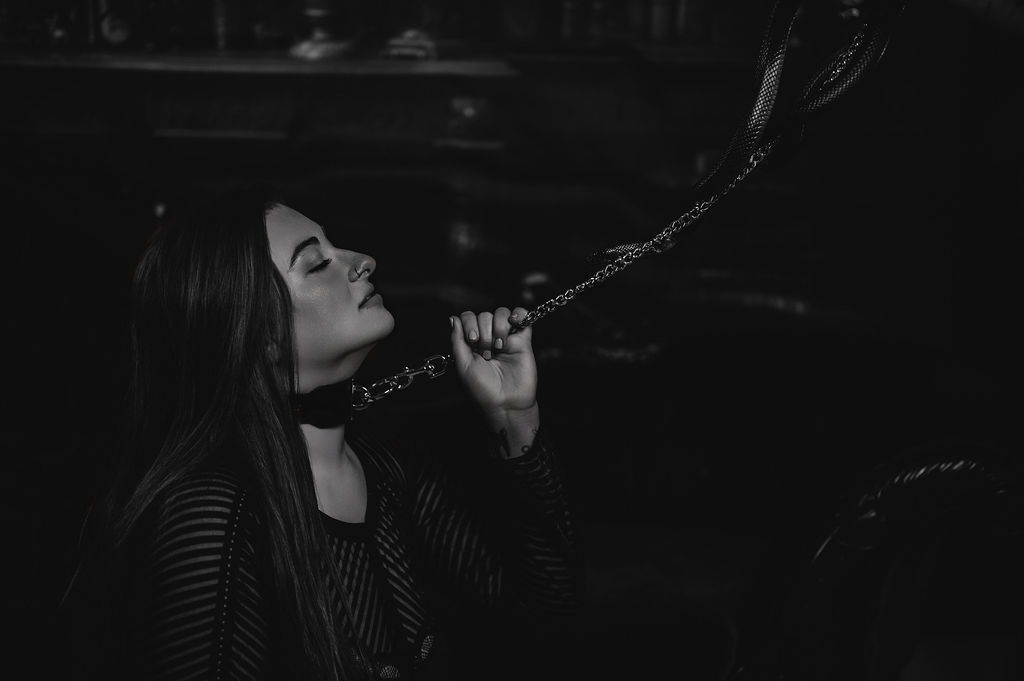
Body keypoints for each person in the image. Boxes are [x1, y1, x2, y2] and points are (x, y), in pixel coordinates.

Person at [62, 185, 582, 681]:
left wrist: (513, 416)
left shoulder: (388, 468)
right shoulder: (212, 514)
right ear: (258, 332)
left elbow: (546, 618)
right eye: (316, 263)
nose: (363, 261)